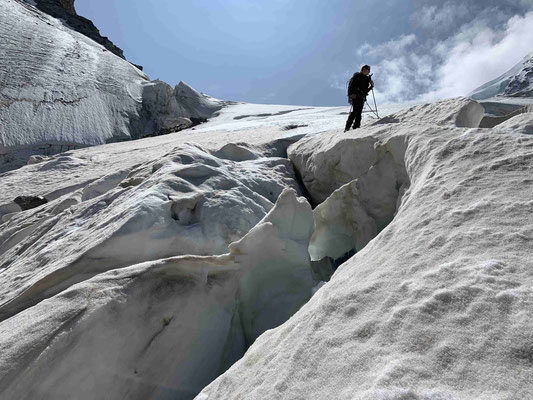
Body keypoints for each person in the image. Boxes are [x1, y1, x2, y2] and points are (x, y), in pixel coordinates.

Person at [345, 65, 374, 132]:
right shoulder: (357, 76)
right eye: (365, 70)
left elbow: (366, 90)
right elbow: (351, 86)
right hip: (355, 96)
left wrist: (371, 86)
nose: (367, 71)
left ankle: (356, 127)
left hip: (361, 97)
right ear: (362, 69)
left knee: (358, 113)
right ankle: (348, 127)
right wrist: (350, 95)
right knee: (355, 112)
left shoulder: (367, 79)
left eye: (367, 70)